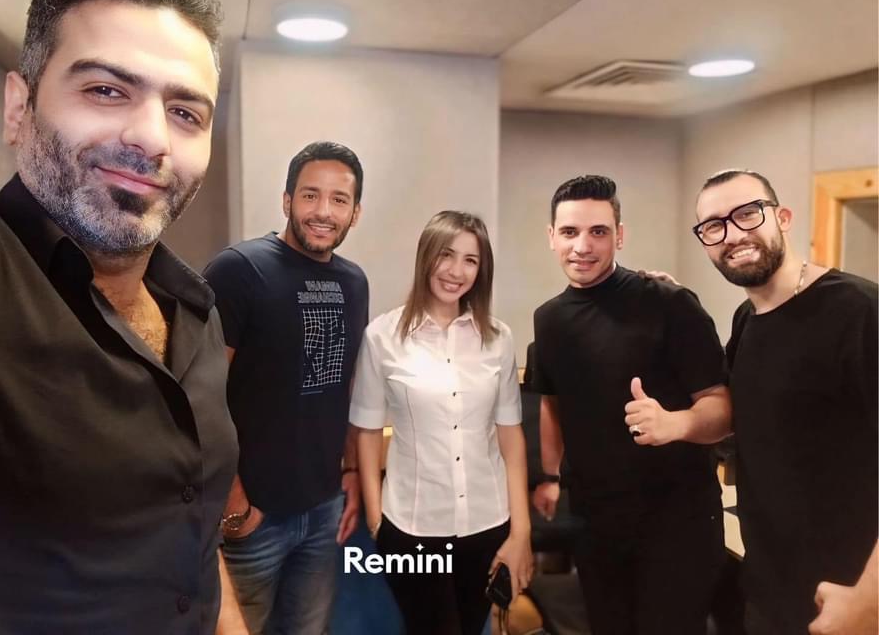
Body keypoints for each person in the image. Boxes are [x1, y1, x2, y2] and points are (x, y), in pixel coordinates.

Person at [0, 0, 242, 633]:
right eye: (105, 90)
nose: (152, 137)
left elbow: (191, 527)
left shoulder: (197, 313)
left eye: (185, 112)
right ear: (19, 107)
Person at [532, 175, 732, 635]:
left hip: (676, 520)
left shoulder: (670, 303)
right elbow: (553, 404)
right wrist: (549, 477)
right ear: (552, 237)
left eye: (598, 231)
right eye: (570, 232)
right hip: (596, 521)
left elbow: (721, 407)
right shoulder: (549, 319)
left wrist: (675, 424)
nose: (583, 246)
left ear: (619, 235)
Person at [694, 169, 878, 635]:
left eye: (747, 214)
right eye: (714, 226)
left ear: (783, 217)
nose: (732, 234)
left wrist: (868, 599)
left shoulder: (861, 311)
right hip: (770, 592)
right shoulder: (746, 319)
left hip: (847, 596)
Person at [203, 141, 369, 635]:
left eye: (339, 199)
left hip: (322, 511)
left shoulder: (354, 283)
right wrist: (235, 506)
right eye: (310, 195)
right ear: (287, 200)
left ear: (355, 213)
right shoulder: (239, 270)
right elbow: (200, 396)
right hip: (253, 518)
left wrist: (352, 468)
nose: (323, 211)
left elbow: (345, 385)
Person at [350, 210, 534, 635]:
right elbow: (368, 430)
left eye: (471, 260)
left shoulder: (498, 338)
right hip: (413, 528)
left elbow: (510, 438)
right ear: (426, 257)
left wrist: (520, 529)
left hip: (488, 523)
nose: (456, 271)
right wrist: (376, 521)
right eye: (446, 255)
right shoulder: (383, 336)